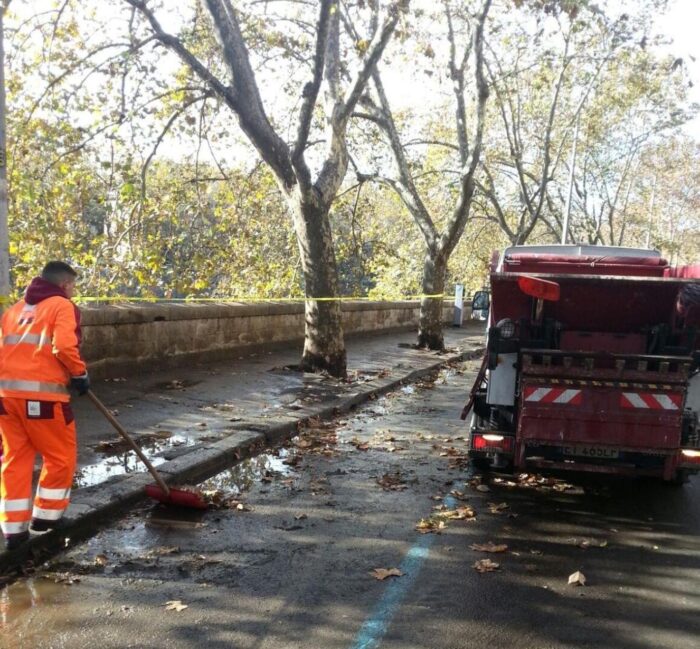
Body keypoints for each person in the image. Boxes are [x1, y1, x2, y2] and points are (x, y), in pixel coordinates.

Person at [0, 261, 89, 551]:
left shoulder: (14, 310)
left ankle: (14, 531)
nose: (73, 291)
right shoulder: (61, 306)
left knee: (15, 460)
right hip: (44, 399)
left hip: (6, 399)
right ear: (64, 285)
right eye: (73, 286)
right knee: (60, 456)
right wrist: (79, 374)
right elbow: (63, 346)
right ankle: (46, 518)